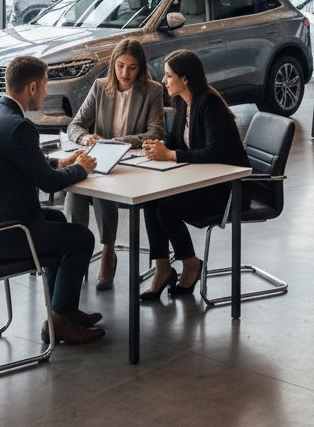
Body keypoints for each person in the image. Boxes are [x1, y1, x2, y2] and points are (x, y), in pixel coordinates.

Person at [0, 54, 105, 345]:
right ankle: (59, 321)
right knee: (82, 239)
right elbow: (48, 184)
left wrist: (61, 164)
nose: (47, 91)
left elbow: (22, 163)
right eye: (46, 85)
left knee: (59, 220)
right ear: (32, 87)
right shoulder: (19, 126)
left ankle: (62, 310)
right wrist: (81, 168)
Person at [138, 49, 250, 303]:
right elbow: (177, 140)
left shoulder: (208, 103)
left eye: (168, 76)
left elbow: (216, 151)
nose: (164, 81)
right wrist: (157, 146)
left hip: (228, 190)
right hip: (205, 182)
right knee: (151, 201)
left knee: (166, 208)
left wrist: (170, 156)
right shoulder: (183, 102)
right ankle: (163, 267)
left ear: (185, 79)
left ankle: (190, 264)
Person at [65, 38, 165, 290]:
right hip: (102, 159)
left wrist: (121, 141)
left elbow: (156, 132)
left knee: (102, 187)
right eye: (120, 66)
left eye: (132, 67)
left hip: (134, 166)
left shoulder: (152, 90)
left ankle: (107, 250)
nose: (125, 73)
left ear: (140, 68)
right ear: (113, 65)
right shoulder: (100, 87)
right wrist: (86, 137)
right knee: (75, 183)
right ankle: (75, 247)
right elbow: (75, 125)